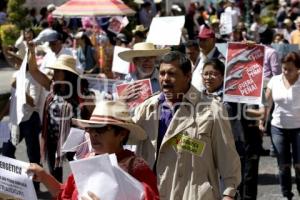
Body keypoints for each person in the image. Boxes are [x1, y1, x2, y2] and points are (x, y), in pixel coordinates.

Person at [133, 51, 241, 199]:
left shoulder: (212, 109)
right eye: (162, 73)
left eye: (172, 74)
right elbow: (123, 138)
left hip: (192, 194)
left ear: (188, 76)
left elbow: (227, 156)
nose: (165, 79)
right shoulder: (147, 108)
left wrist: (229, 193)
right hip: (151, 193)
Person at [27, 100, 159, 200]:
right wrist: (44, 176)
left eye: (100, 129)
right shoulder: (88, 160)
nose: (93, 134)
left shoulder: (136, 168)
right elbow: (65, 194)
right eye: (90, 128)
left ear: (122, 134)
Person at [27, 51, 82, 182]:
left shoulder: (80, 92)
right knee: (54, 174)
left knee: (80, 172)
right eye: (54, 70)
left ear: (67, 74)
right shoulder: (52, 87)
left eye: (58, 71)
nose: (54, 73)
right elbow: (34, 71)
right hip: (52, 139)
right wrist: (31, 50)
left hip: (72, 141)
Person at [262, 52, 300, 200]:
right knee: (283, 165)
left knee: (298, 165)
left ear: (298, 69)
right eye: (284, 68)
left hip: (298, 128)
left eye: (289, 69)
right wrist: (261, 121)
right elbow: (267, 102)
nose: (285, 72)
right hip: (278, 127)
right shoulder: (275, 80)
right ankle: (286, 195)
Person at [191, 24, 225, 92]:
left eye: (204, 40)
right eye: (200, 39)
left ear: (213, 40)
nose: (201, 43)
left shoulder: (220, 60)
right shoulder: (200, 56)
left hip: (210, 100)